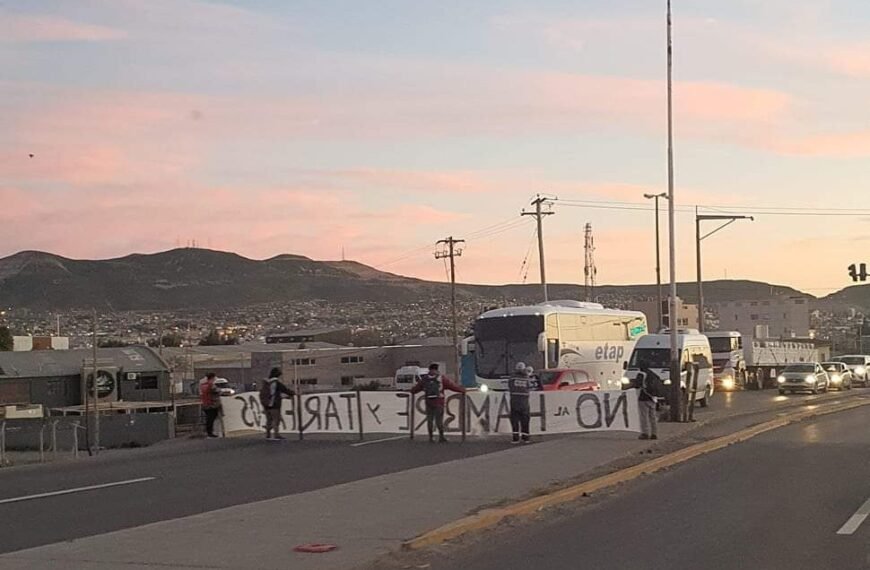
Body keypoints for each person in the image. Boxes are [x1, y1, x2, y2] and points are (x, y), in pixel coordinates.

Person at [411, 363, 466, 443]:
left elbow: (415, 389)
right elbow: (452, 386)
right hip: (439, 402)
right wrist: (462, 390)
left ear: (429, 369)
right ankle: (441, 437)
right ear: (437, 369)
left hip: (428, 401)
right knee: (439, 420)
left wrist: (412, 391)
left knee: (430, 419)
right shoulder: (441, 378)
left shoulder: (425, 378)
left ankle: (431, 437)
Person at [632, 360, 665, 440]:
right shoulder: (653, 374)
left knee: (644, 417)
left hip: (643, 397)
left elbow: (637, 385)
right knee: (652, 417)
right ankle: (654, 433)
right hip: (653, 398)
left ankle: (645, 433)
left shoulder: (641, 374)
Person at [259, 367, 295, 440]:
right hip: (274, 404)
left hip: (266, 404)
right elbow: (285, 390)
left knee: (269, 420)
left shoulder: (266, 383)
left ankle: (268, 434)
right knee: (276, 419)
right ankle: (276, 434)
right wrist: (293, 393)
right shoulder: (276, 383)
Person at [509, 362, 533, 444]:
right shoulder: (526, 378)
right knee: (525, 420)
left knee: (514, 420)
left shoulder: (512, 377)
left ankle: (515, 438)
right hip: (524, 402)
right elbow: (530, 387)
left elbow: (510, 386)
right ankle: (526, 438)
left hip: (514, 402)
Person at [199, 372, 222, 438]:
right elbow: (218, 391)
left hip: (205, 403)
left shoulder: (203, 385)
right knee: (212, 418)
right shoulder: (211, 385)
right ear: (212, 378)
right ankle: (211, 433)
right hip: (212, 404)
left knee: (209, 419)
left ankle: (209, 432)